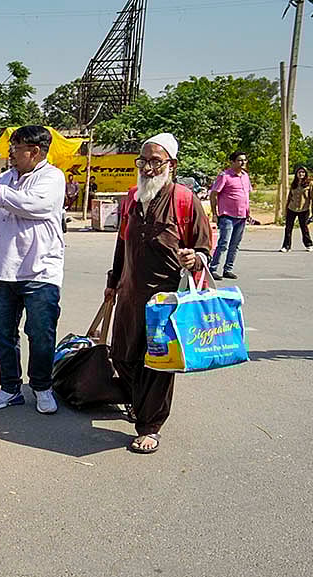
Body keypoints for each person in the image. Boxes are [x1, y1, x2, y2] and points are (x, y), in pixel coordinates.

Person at [105, 133, 211, 454]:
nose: (148, 168)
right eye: (144, 161)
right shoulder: (132, 198)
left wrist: (196, 257)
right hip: (130, 294)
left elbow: (204, 245)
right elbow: (122, 243)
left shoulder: (184, 199)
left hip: (166, 299)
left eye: (156, 162)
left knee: (158, 363)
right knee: (122, 354)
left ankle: (150, 426)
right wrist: (113, 282)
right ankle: (140, 404)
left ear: (171, 165)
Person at [0, 125, 65, 415]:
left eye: (16, 148)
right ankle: (10, 387)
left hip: (38, 271)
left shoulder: (52, 178)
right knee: (4, 334)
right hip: (1, 269)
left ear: (35, 151)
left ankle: (42, 387)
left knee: (41, 333)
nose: (11, 154)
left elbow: (30, 204)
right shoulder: (5, 178)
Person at [209, 151, 252, 280]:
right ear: (232, 162)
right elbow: (213, 194)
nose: (243, 162)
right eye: (239, 160)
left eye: (244, 160)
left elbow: (246, 195)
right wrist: (215, 213)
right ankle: (213, 268)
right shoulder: (225, 176)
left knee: (235, 244)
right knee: (224, 243)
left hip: (242, 216)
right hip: (227, 215)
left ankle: (228, 269)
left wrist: (248, 212)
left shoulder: (245, 176)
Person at [281, 165, 313, 252]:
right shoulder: (294, 183)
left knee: (304, 227)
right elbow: (289, 197)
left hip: (303, 209)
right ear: (296, 174)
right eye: (299, 172)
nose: (301, 174)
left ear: (306, 174)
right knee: (288, 228)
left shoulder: (311, 184)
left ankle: (308, 244)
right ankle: (286, 246)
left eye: (303, 172)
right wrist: (285, 210)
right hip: (292, 208)